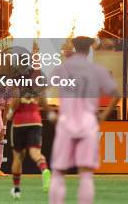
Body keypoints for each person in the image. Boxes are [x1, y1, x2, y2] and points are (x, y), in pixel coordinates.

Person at [48, 37, 120, 204]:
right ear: (89, 50)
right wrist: (103, 115)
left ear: (73, 47)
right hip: (88, 123)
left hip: (66, 123)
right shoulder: (97, 69)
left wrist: (51, 113)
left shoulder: (62, 68)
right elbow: (116, 95)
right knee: (86, 174)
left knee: (58, 173)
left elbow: (41, 89)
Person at [5, 58, 51, 199]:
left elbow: (16, 99)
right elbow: (43, 101)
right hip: (35, 121)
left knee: (18, 156)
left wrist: (10, 113)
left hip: (20, 122)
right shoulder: (37, 80)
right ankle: (44, 170)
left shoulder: (16, 80)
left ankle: (17, 190)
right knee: (35, 153)